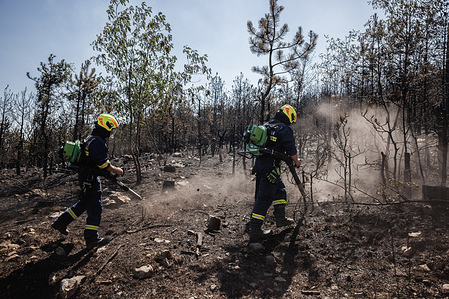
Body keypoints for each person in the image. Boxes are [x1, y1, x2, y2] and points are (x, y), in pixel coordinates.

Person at [52, 113, 124, 249]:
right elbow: (103, 165)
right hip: (90, 178)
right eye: (111, 129)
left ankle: (60, 222)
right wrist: (117, 170)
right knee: (96, 207)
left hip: (86, 176)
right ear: (106, 126)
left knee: (84, 203)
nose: (111, 132)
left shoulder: (92, 138)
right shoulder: (97, 142)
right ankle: (92, 239)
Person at [249, 104, 301, 243]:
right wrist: (296, 161)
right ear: (289, 116)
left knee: (280, 190)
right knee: (265, 198)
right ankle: (255, 231)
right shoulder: (284, 129)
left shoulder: (267, 125)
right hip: (270, 167)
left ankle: (281, 218)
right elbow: (291, 150)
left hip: (260, 165)